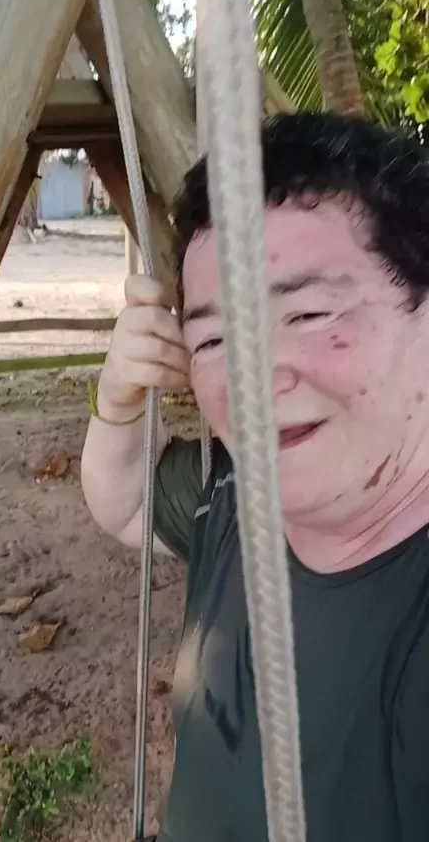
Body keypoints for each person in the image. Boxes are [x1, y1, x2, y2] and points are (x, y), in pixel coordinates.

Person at [81, 112, 429, 842]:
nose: (255, 379)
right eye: (214, 339)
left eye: (310, 313)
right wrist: (117, 402)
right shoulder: (234, 493)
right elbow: (125, 502)